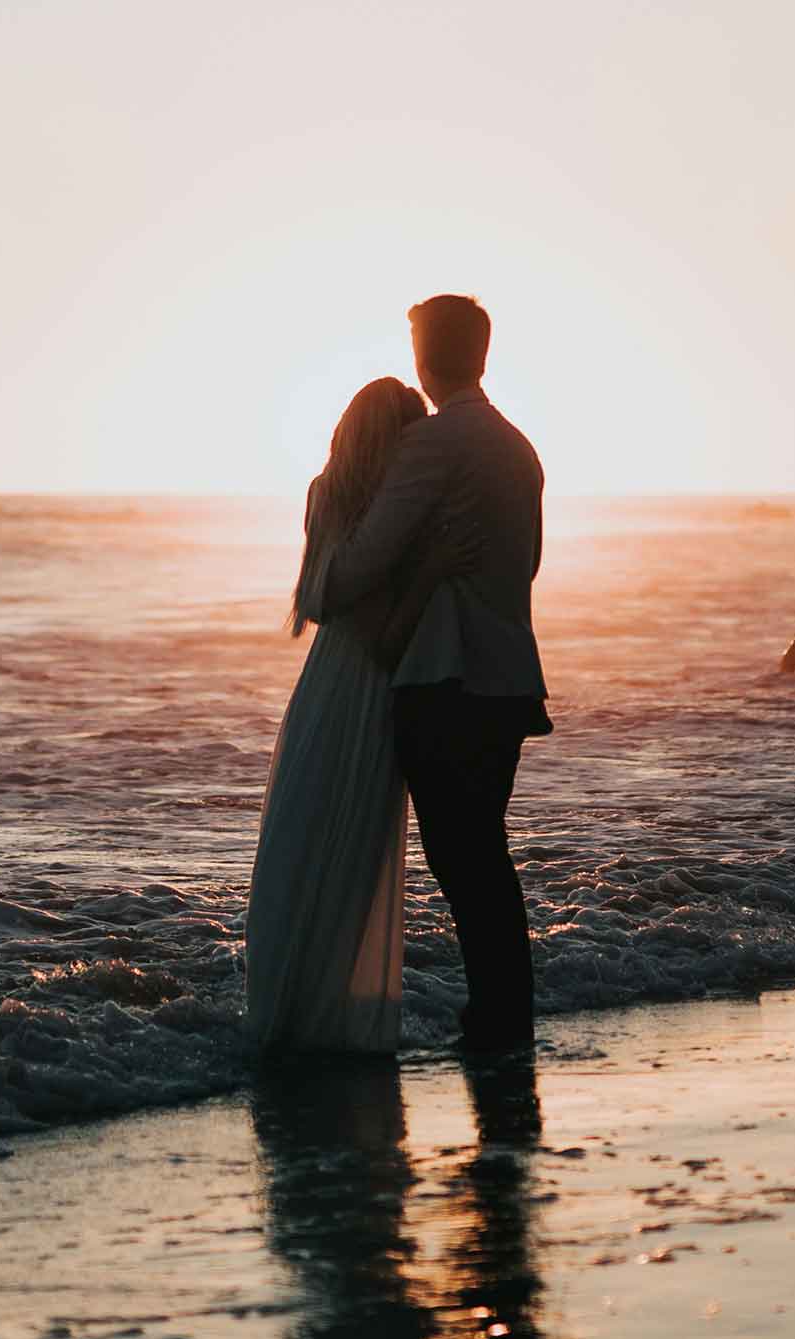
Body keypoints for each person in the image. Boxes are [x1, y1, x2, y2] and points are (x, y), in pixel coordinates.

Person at [316, 295, 550, 1051]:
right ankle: (503, 1015)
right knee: (484, 853)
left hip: (446, 682)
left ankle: (498, 1023)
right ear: (481, 354)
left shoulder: (435, 444)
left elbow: (357, 569)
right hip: (510, 678)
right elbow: (531, 565)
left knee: (464, 859)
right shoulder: (520, 448)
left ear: (424, 355)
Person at [244, 377, 474, 1052]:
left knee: (301, 844)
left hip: (324, 686)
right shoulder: (394, 518)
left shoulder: (330, 494)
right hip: (371, 692)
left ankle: (287, 1009)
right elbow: (383, 634)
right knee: (346, 857)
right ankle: (320, 1019)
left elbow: (322, 607)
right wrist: (430, 570)